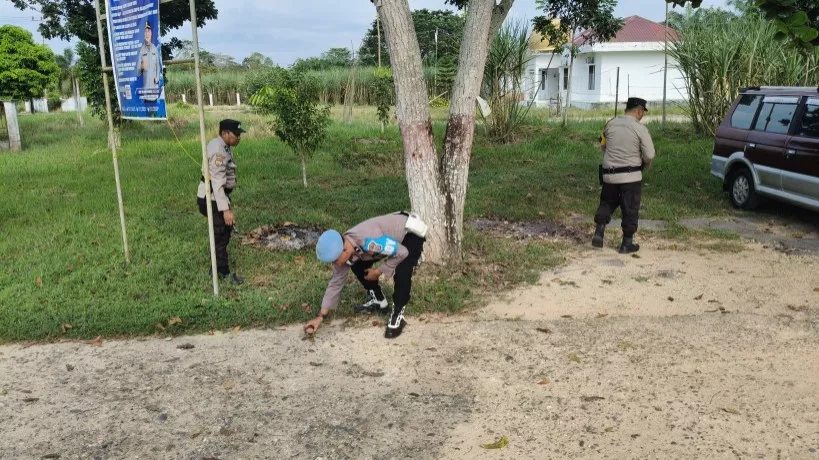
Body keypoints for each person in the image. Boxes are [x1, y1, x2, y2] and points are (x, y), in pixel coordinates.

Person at [304, 212, 427, 339]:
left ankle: (398, 314)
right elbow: (336, 282)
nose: (335, 264)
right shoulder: (346, 246)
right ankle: (379, 301)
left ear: (345, 249)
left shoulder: (369, 240)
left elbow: (402, 252)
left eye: (335, 260)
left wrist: (378, 271)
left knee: (403, 271)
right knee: (356, 264)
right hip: (387, 243)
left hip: (409, 234)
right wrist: (320, 317)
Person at [592, 97, 656, 254]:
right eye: (643, 112)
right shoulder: (640, 128)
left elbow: (602, 145)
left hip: (609, 175)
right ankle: (627, 243)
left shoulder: (610, 124)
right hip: (631, 176)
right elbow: (649, 154)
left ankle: (599, 232)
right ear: (639, 111)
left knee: (607, 202)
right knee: (630, 208)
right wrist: (645, 162)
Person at [197, 119, 246, 284]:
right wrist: (226, 210)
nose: (238, 138)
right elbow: (217, 183)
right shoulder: (218, 150)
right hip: (211, 197)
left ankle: (216, 267)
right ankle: (222, 271)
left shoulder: (223, 146)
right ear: (225, 133)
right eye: (236, 134)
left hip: (217, 196)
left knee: (224, 232)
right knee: (220, 234)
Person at [138, 21, 161, 103]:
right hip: (145, 90)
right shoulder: (141, 50)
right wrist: (141, 67)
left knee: (155, 108)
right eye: (145, 32)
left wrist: (157, 78)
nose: (147, 34)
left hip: (154, 89)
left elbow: (158, 66)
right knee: (146, 108)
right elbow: (137, 72)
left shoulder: (155, 48)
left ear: (151, 33)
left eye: (148, 31)